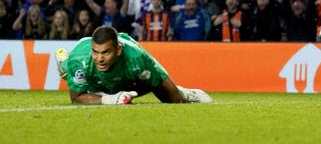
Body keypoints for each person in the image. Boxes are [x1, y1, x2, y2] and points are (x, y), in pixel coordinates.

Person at [55, 26, 212, 105]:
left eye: (106, 52)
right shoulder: (81, 59)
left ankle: (187, 93)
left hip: (129, 71)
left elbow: (153, 85)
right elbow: (76, 98)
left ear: (118, 50)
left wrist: (119, 95)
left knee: (172, 99)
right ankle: (64, 63)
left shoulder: (137, 58)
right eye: (96, 52)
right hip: (90, 73)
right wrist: (111, 99)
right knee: (74, 75)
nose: (100, 58)